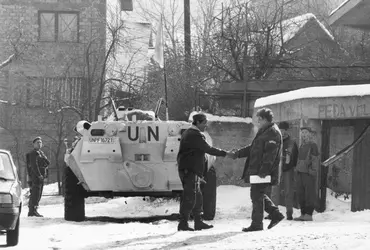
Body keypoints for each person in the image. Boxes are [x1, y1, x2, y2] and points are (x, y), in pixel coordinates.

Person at [231, 108, 285, 232]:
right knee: (257, 195)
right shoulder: (264, 131)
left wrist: (263, 171)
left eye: (259, 119)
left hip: (263, 172)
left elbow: (271, 154)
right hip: (259, 171)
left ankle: (259, 223)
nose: (258, 121)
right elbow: (253, 148)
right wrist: (237, 154)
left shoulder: (272, 132)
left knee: (256, 195)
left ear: (266, 119)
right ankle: (273, 215)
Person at [177, 113, 232, 231]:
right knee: (190, 197)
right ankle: (183, 223)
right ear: (197, 122)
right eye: (204, 123)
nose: (206, 126)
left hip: (192, 171)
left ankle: (198, 222)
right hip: (190, 171)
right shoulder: (194, 135)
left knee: (197, 197)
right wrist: (226, 153)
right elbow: (208, 149)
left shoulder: (190, 133)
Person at [269, 122, 299, 220]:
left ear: (287, 131)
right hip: (277, 168)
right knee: (274, 191)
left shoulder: (292, 142)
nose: (281, 132)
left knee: (288, 191)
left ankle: (289, 213)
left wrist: (291, 166)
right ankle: (273, 213)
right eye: (280, 130)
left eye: (283, 130)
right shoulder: (275, 140)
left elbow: (295, 157)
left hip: (288, 170)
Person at [294, 126, 320, 221]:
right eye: (302, 132)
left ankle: (309, 214)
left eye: (305, 132)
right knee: (301, 194)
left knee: (309, 194)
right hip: (300, 173)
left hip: (308, 174)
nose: (303, 134)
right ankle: (303, 213)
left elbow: (315, 160)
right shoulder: (301, 145)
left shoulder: (313, 145)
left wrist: (312, 172)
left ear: (310, 134)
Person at [26, 137, 50, 217]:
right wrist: (39, 174)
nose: (39, 144)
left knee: (38, 194)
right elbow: (34, 165)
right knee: (35, 194)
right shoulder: (33, 153)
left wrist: (43, 156)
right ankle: (32, 211)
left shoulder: (40, 153)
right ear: (34, 144)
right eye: (37, 142)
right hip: (35, 177)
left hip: (41, 177)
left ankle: (34, 210)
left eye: (40, 142)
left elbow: (47, 163)